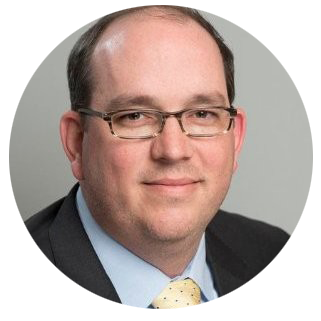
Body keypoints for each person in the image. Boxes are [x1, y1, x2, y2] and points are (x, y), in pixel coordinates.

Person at [25, 5, 290, 309]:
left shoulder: (273, 254)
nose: (173, 151)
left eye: (202, 114)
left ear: (236, 137)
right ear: (76, 143)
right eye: (135, 116)